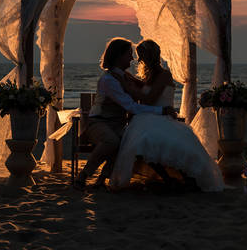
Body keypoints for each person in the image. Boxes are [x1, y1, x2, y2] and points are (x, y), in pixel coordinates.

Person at [109, 39, 224, 192]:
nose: (140, 60)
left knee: (147, 140)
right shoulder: (150, 75)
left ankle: (183, 178)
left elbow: (149, 98)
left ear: (151, 56)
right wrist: (128, 78)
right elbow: (145, 87)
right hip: (151, 116)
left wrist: (126, 85)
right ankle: (167, 178)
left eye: (142, 56)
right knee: (141, 141)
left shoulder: (164, 75)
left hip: (161, 116)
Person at [74, 38, 177, 190]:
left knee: (126, 142)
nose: (133, 58)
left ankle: (101, 180)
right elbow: (131, 106)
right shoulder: (109, 80)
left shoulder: (125, 76)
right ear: (118, 56)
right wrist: (162, 111)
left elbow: (144, 92)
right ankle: (83, 176)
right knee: (112, 141)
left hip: (118, 124)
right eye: (129, 54)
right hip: (99, 122)